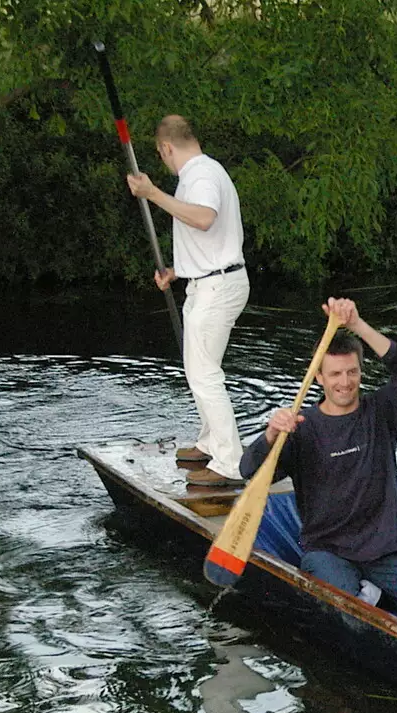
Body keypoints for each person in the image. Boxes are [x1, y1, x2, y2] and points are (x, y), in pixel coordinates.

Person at [239, 298, 397, 611]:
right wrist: (271, 434)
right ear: (319, 377)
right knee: (339, 608)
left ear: (360, 371)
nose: (344, 383)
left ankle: (375, 592)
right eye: (334, 374)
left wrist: (357, 325)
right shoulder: (301, 428)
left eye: (351, 372)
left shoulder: (381, 412)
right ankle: (367, 596)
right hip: (330, 551)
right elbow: (250, 470)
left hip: (388, 548)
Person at [126, 114, 250, 487]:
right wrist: (178, 270)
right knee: (201, 369)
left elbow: (205, 219)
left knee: (204, 374)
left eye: (161, 154)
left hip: (218, 287)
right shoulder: (201, 173)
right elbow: (211, 240)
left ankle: (230, 462)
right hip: (208, 281)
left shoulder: (201, 175)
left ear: (166, 147)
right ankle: (211, 442)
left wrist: (153, 194)